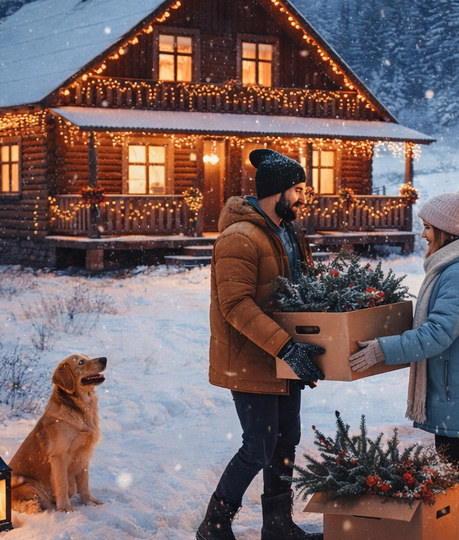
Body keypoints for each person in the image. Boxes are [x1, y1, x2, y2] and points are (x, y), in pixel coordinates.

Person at [348, 185, 459, 540]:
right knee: (453, 459)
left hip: (456, 384)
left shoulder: (458, 275)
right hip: (454, 382)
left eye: (428, 226)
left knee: (455, 459)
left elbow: (436, 335)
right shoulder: (451, 269)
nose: (423, 233)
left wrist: (383, 349)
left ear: (445, 231)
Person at [199, 149, 325, 540]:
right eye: (298, 190)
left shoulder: (286, 232)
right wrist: (286, 348)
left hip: (285, 357)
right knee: (258, 446)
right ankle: (214, 525)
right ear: (278, 192)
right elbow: (236, 305)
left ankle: (278, 524)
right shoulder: (239, 238)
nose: (303, 198)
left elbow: (295, 290)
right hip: (250, 358)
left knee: (287, 439)